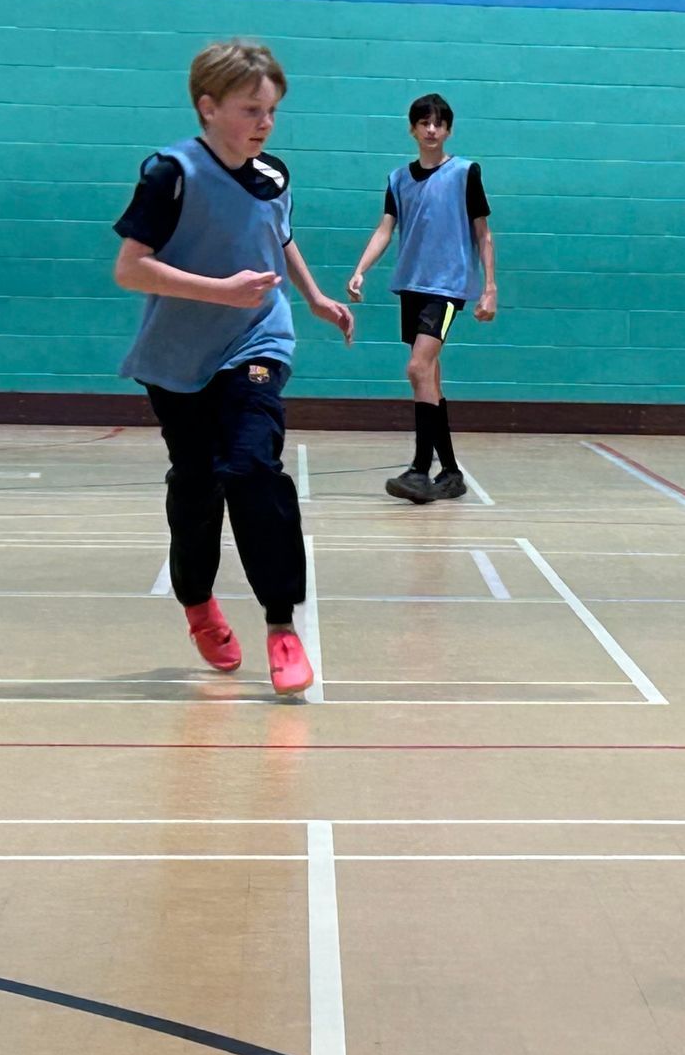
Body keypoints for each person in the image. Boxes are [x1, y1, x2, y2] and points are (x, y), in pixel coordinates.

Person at [112, 39, 354, 698]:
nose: (265, 123)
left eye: (272, 111)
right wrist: (221, 289)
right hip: (179, 356)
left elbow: (278, 235)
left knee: (251, 467)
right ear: (208, 107)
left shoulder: (274, 174)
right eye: (252, 110)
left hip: (256, 340)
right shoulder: (171, 173)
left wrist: (311, 296)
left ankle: (282, 626)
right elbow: (130, 267)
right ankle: (198, 603)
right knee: (196, 488)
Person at [348, 92, 498, 503]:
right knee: (429, 377)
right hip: (411, 286)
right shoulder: (398, 179)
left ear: (448, 130)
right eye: (424, 122)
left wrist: (489, 287)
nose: (431, 130)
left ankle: (419, 469)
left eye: (439, 123)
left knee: (417, 367)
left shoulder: (466, 173)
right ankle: (450, 473)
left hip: (446, 288)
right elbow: (385, 229)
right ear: (413, 128)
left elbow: (483, 233)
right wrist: (361, 269)